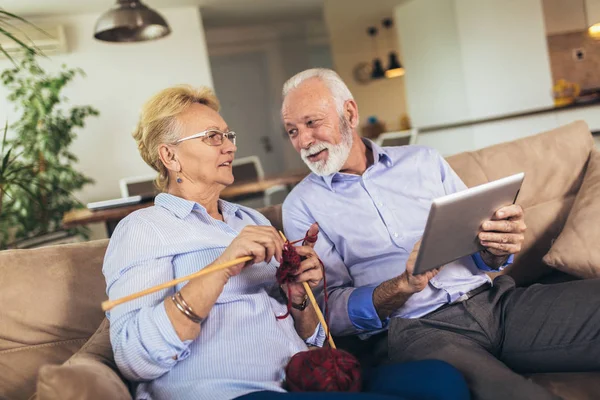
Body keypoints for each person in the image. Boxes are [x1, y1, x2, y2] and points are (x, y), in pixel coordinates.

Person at [103, 85, 470, 400]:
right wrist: (220, 269)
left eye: (228, 135)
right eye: (213, 137)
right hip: (231, 391)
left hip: (299, 379)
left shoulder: (250, 220)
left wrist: (299, 299)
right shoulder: (143, 229)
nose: (229, 147)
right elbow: (135, 357)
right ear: (169, 155)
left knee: (441, 381)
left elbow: (315, 340)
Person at [280, 68, 600, 400]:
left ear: (350, 112)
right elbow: (326, 313)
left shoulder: (424, 160)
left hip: (495, 302)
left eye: (312, 123)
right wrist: (401, 287)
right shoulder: (301, 206)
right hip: (416, 331)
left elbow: (482, 253)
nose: (303, 141)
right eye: (292, 131)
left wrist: (496, 247)